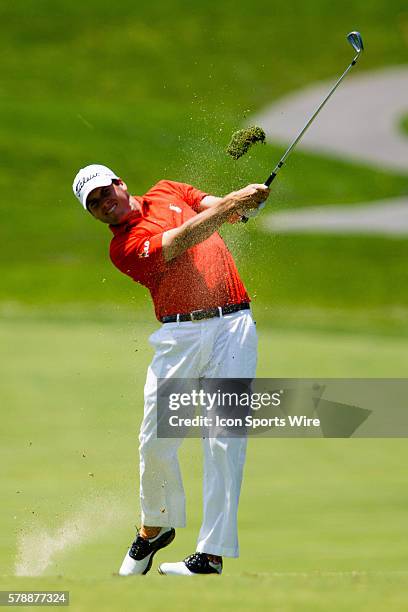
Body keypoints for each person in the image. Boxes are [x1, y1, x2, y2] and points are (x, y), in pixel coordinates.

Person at [72, 164, 270, 576]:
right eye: (94, 204)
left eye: (104, 192)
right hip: (180, 337)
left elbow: (217, 209)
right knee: (157, 437)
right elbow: (183, 238)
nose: (104, 204)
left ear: (120, 183)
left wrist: (242, 204)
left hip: (233, 325)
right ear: (93, 215)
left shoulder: (168, 190)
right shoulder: (124, 247)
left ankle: (211, 555)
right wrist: (232, 202)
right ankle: (154, 528)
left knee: (223, 440)